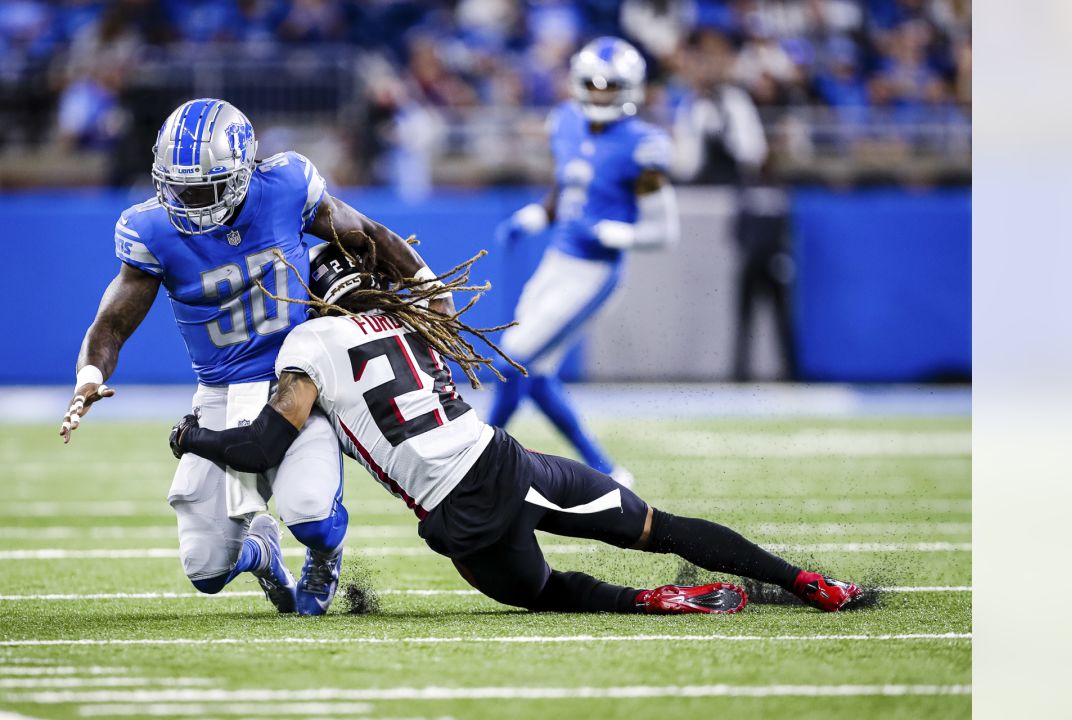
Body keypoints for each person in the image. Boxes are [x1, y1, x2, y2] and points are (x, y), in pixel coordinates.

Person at [168, 242, 864, 615]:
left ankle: (646, 602)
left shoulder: (311, 341)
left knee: (543, 593)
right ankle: (806, 581)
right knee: (661, 525)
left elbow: (262, 445)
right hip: (507, 461)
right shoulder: (415, 322)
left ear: (319, 296)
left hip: (458, 509)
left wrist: (192, 437)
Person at [59, 98, 451, 616]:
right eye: (179, 187)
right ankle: (263, 554)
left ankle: (323, 553)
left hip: (298, 379)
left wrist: (428, 285)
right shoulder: (150, 229)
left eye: (204, 187)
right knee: (205, 570)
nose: (190, 199)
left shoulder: (286, 187)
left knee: (310, 513)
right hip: (220, 392)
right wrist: (89, 376)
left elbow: (368, 235)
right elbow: (111, 323)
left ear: (242, 173)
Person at [492, 37, 682, 489]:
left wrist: (617, 233)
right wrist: (533, 217)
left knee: (514, 360)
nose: (600, 94)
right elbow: (564, 195)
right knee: (532, 372)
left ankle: (482, 448)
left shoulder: (643, 146)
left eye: (610, 86)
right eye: (592, 85)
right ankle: (606, 467)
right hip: (558, 260)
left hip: (595, 271)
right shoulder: (565, 123)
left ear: (630, 88)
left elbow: (665, 232)